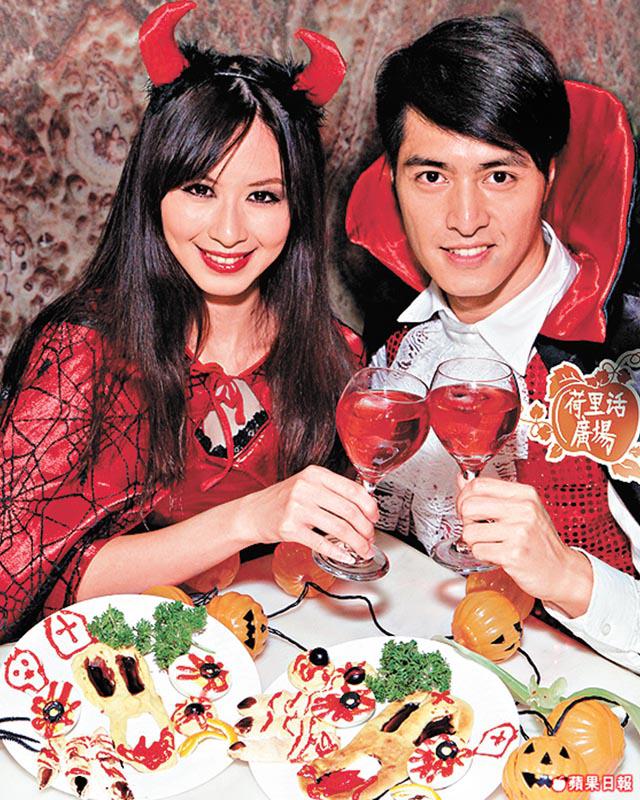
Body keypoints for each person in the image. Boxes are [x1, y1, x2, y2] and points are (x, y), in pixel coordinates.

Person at [0, 2, 377, 643]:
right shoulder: (85, 352)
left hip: (281, 654)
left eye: (263, 196)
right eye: (201, 189)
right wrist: (247, 519)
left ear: (298, 208)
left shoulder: (335, 353)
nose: (228, 231)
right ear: (154, 191)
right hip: (120, 663)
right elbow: (19, 579)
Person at [346, 16, 640, 670]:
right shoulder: (397, 331)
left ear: (549, 176)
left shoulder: (623, 364)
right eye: (432, 176)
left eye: (499, 176)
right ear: (393, 182)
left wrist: (568, 575)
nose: (464, 218)